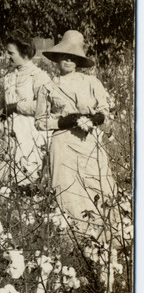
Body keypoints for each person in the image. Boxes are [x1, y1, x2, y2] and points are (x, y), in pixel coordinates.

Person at [35, 30, 117, 247]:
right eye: (64, 55)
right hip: (62, 144)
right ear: (58, 58)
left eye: (73, 57)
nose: (68, 60)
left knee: (98, 184)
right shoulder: (48, 86)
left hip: (88, 141)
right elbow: (40, 120)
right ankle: (74, 241)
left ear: (79, 60)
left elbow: (105, 109)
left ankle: (104, 238)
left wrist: (95, 118)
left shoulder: (91, 82)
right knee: (67, 189)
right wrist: (64, 122)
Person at [0, 34, 52, 184]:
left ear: (24, 53)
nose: (7, 56)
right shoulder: (9, 77)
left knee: (29, 173)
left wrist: (16, 106)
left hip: (30, 131)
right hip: (10, 131)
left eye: (11, 53)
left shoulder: (38, 76)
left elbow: (44, 106)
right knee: (10, 174)